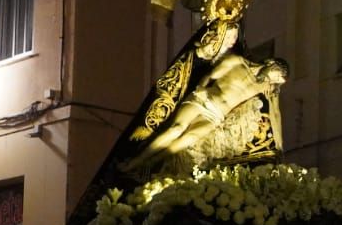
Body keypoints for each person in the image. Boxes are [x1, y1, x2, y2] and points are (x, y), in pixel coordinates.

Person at [122, 52, 288, 175]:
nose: (276, 81)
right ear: (271, 63)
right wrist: (201, 89)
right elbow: (209, 75)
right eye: (278, 76)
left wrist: (280, 146)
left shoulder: (267, 88)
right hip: (205, 100)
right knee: (176, 129)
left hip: (216, 116)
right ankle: (137, 161)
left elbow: (276, 114)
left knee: (188, 139)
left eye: (279, 81)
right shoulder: (237, 62)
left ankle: (152, 163)